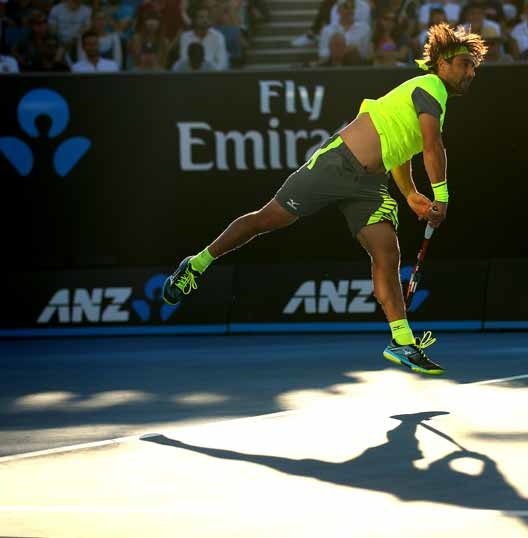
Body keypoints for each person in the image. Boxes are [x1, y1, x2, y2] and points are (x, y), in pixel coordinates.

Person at [162, 23, 488, 376]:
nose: (470, 72)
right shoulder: (430, 87)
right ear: (441, 63)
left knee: (387, 251)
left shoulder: (432, 101)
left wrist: (410, 194)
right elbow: (433, 146)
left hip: (369, 185)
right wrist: (442, 197)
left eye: (474, 67)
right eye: (464, 64)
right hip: (338, 164)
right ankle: (196, 265)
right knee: (266, 220)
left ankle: (402, 341)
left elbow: (403, 150)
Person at [317, 0, 371, 64]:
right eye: (346, 7)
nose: (350, 10)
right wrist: (341, 51)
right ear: (338, 10)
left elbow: (366, 53)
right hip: (333, 65)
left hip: (356, 65)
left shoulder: (365, 29)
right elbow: (323, 53)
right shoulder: (327, 30)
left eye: (352, 7)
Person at [178, 5, 228, 69]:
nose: (205, 20)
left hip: (212, 72)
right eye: (201, 17)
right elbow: (184, 59)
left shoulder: (218, 37)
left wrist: (212, 72)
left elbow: (222, 62)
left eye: (207, 17)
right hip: (190, 72)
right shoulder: (185, 37)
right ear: (194, 20)